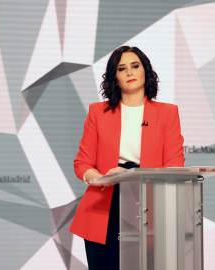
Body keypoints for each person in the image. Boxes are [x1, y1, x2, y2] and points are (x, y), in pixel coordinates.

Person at [69, 46, 185, 269]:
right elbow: (82, 163)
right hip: (104, 207)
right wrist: (99, 178)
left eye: (135, 66)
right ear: (115, 77)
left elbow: (175, 165)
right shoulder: (97, 112)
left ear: (145, 71)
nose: (129, 72)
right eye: (122, 69)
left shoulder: (167, 113)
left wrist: (131, 176)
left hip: (149, 207)